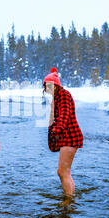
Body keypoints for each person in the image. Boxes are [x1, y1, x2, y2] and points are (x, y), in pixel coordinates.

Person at [43, 67, 83, 197]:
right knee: (64, 171)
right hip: (66, 137)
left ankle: (69, 199)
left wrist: (57, 129)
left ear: (56, 85)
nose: (47, 88)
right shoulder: (57, 98)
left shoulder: (64, 95)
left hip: (70, 137)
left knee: (62, 171)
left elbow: (64, 114)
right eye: (45, 86)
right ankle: (70, 196)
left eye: (49, 85)